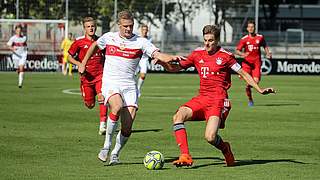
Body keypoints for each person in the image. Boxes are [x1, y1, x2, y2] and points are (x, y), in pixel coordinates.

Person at [156, 25, 275, 167]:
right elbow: (176, 68)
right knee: (178, 116)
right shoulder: (197, 54)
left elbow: (243, 73)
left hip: (218, 100)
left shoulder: (226, 56)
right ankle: (185, 155)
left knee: (210, 137)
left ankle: (226, 148)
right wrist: (163, 64)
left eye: (211, 40)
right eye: (205, 40)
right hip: (202, 98)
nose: (207, 43)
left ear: (217, 40)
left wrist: (259, 89)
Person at [79, 10, 182, 165]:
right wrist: (83, 62)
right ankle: (106, 146)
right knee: (117, 106)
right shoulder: (109, 38)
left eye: (131, 26)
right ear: (119, 25)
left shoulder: (141, 42)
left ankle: (115, 154)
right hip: (111, 83)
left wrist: (171, 57)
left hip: (129, 87)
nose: (128, 29)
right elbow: (94, 45)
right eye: (125, 26)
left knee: (127, 127)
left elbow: (158, 55)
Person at [67, 17, 108, 135]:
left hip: (100, 75)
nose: (91, 28)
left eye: (93, 26)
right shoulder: (79, 43)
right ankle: (90, 96)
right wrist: (79, 64)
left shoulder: (101, 41)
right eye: (88, 26)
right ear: (84, 28)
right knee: (89, 104)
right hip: (86, 79)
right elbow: (69, 57)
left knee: (102, 97)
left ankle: (103, 126)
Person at [236, 20, 272, 106]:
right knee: (249, 81)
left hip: (256, 64)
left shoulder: (260, 37)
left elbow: (265, 45)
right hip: (247, 64)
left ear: (255, 28)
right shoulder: (244, 39)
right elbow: (237, 50)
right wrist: (243, 54)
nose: (251, 28)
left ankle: (248, 87)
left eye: (253, 27)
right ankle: (250, 99)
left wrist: (268, 53)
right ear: (247, 28)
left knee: (255, 82)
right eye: (250, 27)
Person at [135, 24, 152, 97]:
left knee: (143, 75)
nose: (144, 31)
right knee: (133, 75)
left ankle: (138, 89)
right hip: (136, 58)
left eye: (146, 30)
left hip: (144, 59)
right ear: (141, 30)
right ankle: (133, 89)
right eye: (143, 30)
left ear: (147, 31)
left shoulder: (150, 39)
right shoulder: (137, 38)